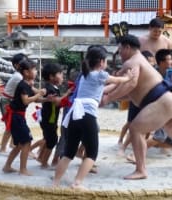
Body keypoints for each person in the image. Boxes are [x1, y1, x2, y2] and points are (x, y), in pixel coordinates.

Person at [53, 45, 134, 189]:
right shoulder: (100, 74)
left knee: (68, 153)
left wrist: (120, 83)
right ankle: (77, 182)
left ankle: (55, 183)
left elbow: (104, 89)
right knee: (91, 154)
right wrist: (128, 78)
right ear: (102, 62)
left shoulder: (85, 76)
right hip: (87, 116)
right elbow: (116, 80)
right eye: (106, 60)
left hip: (74, 115)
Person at [101, 34, 172, 180]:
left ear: (127, 47)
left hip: (160, 101)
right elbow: (127, 90)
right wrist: (107, 95)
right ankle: (140, 169)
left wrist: (108, 98)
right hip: (163, 100)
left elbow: (130, 84)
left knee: (136, 129)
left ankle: (141, 170)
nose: (119, 52)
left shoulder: (132, 62)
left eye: (120, 49)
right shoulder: (137, 61)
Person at [2, 60, 46, 175]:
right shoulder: (23, 85)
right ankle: (23, 169)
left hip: (18, 116)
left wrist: (47, 99)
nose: (36, 71)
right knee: (26, 141)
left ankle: (7, 166)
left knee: (20, 144)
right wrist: (39, 94)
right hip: (16, 117)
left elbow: (35, 98)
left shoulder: (27, 85)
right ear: (26, 72)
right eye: (34, 69)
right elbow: (26, 101)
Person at [117, 50, 155, 156]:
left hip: (147, 102)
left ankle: (141, 144)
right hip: (136, 101)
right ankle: (122, 142)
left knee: (146, 125)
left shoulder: (152, 72)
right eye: (151, 61)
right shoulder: (136, 70)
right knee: (131, 123)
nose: (153, 63)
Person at [37, 63, 71, 168]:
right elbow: (57, 102)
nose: (62, 76)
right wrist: (68, 93)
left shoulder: (53, 88)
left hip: (49, 118)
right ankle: (44, 162)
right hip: (49, 119)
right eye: (60, 74)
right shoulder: (49, 88)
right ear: (51, 77)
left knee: (48, 139)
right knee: (52, 140)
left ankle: (40, 158)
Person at [0, 53, 28, 154]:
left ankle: (12, 144)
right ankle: (2, 148)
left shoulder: (20, 76)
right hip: (6, 101)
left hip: (12, 101)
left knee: (15, 125)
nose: (26, 63)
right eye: (23, 62)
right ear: (16, 65)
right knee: (10, 126)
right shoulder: (18, 77)